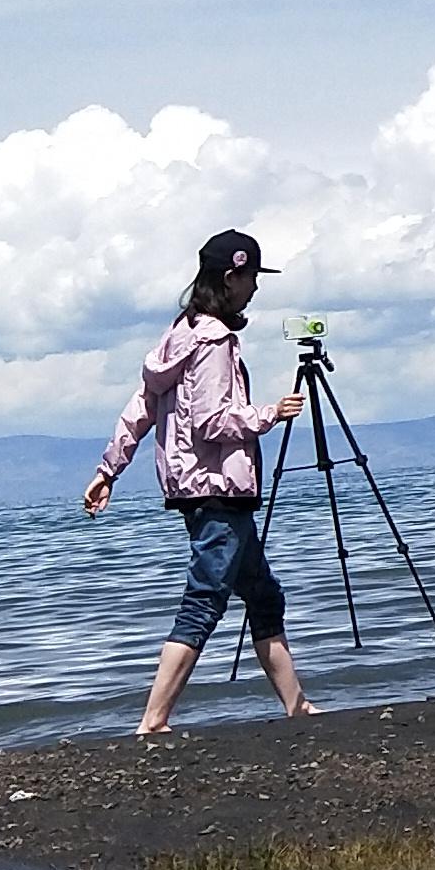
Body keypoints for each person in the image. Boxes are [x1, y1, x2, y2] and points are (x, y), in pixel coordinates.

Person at [85, 230, 319, 736]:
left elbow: (141, 409)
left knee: (262, 596)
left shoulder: (178, 336)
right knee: (205, 598)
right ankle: (153, 720)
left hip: (196, 488)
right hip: (217, 488)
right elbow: (211, 422)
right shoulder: (214, 341)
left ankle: (296, 706)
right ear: (232, 277)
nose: (255, 288)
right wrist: (268, 414)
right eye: (252, 277)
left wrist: (109, 470)